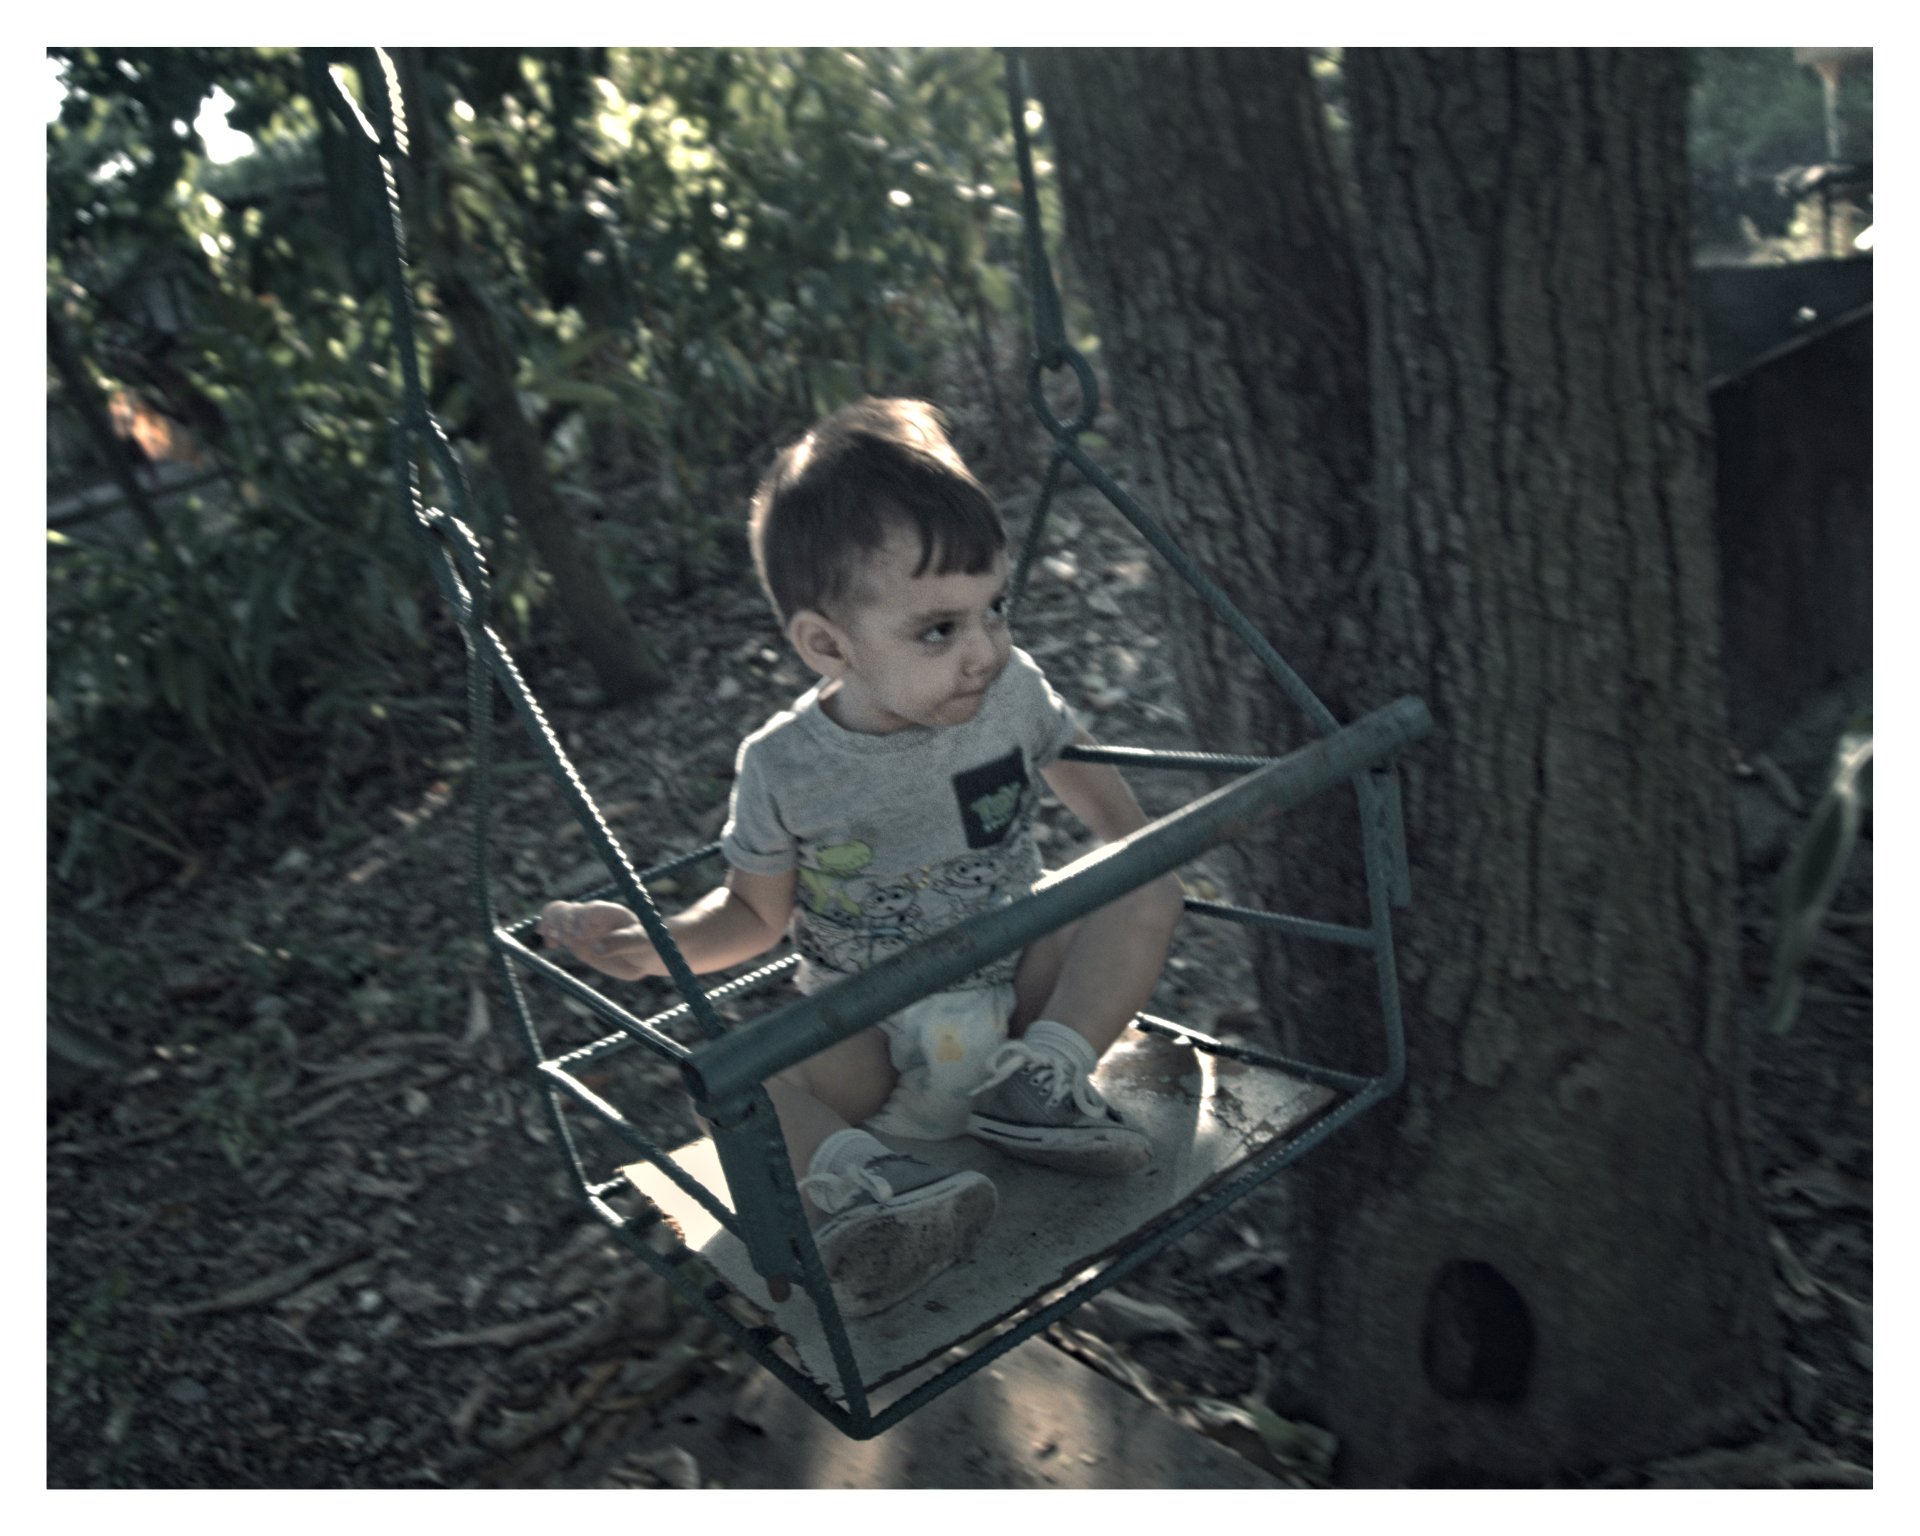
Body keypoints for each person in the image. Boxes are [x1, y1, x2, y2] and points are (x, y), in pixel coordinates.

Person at [541, 398, 1183, 1316]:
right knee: (736, 1084)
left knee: (1150, 883)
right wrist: (652, 945)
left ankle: (1044, 1080)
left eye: (994, 610)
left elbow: (1119, 832)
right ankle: (881, 1189)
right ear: (825, 646)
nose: (985, 651)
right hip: (874, 1035)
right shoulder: (785, 765)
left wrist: (1141, 863)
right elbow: (754, 918)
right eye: (939, 629)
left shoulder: (1014, 693)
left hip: (1017, 998)